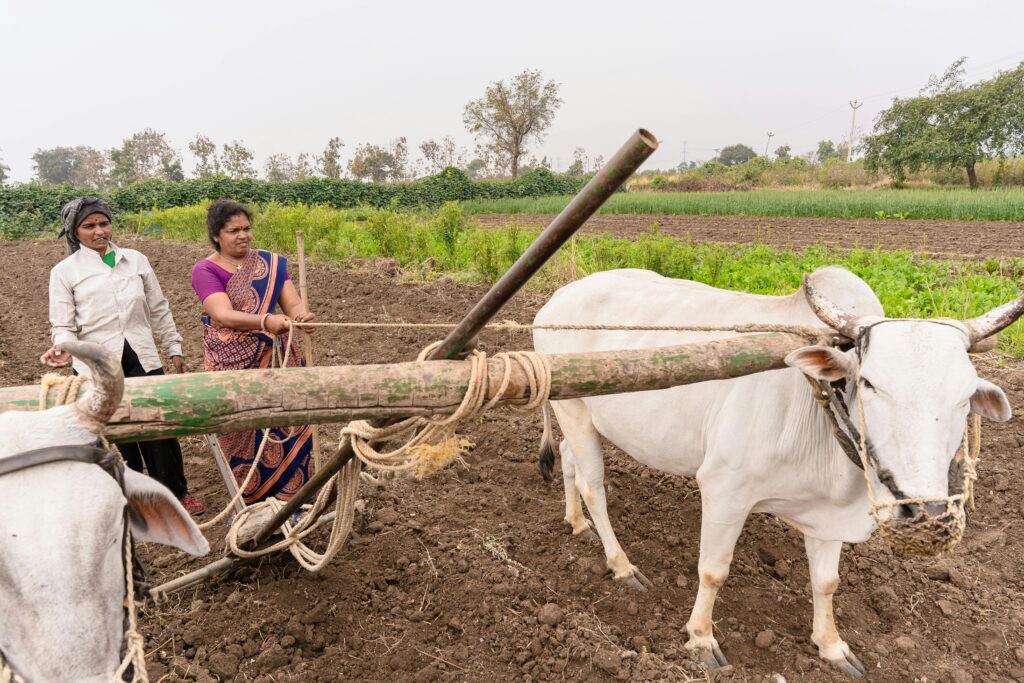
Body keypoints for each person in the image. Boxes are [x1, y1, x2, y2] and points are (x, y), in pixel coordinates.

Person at [41, 196, 205, 515]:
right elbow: (62, 324)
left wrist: (174, 347)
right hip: (96, 366)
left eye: (104, 223)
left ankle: (174, 494)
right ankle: (129, 498)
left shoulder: (136, 260)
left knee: (158, 426)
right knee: (116, 432)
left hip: (141, 355)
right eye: (89, 226)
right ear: (75, 232)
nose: (99, 231)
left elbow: (158, 308)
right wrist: (64, 347)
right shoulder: (65, 272)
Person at [192, 199, 316, 504]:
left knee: (289, 420)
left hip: (277, 358)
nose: (243, 235)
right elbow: (222, 315)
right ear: (216, 235)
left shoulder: (271, 265)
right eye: (233, 230)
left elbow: (292, 304)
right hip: (230, 362)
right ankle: (253, 503)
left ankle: (296, 500)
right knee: (241, 431)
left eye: (246, 228)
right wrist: (265, 320)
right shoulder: (205, 270)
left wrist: (301, 317)